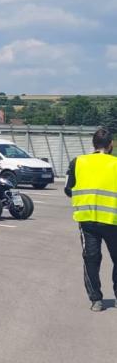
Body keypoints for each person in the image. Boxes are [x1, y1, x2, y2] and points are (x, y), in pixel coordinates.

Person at [65, 128, 117, 312]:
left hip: (87, 221)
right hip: (113, 220)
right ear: (111, 144)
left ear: (93, 144)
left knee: (91, 260)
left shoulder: (78, 162)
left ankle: (96, 300)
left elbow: (68, 189)